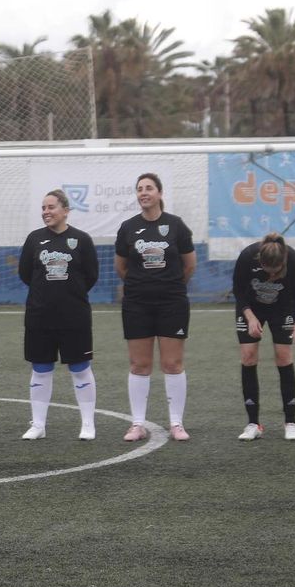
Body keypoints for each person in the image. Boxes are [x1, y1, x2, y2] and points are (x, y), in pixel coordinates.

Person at [114, 172, 196, 442]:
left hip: (172, 302)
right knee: (139, 365)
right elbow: (121, 267)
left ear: (160, 193)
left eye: (149, 188)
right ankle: (137, 424)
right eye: (140, 189)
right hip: (137, 304)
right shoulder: (128, 228)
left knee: (172, 364)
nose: (143, 193)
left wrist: (170, 285)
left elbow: (189, 265)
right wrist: (141, 285)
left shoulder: (176, 226)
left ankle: (176, 423)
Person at [16, 190, 99, 440]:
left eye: (51, 207)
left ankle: (88, 424)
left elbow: (91, 275)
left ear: (65, 210)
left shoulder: (81, 240)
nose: (46, 212)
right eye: (43, 208)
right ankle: (38, 425)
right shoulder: (34, 239)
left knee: (80, 368)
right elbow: (25, 274)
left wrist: (69, 295)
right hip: (40, 316)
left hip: (74, 316)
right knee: (41, 368)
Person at [233, 232, 295, 441]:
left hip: (282, 308)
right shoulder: (247, 256)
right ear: (261, 262)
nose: (272, 275)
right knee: (248, 357)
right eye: (268, 271)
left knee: (284, 357)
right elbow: (238, 290)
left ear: (283, 262)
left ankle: (291, 422)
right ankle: (253, 424)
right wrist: (250, 317)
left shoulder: (293, 259)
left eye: (277, 271)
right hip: (250, 307)